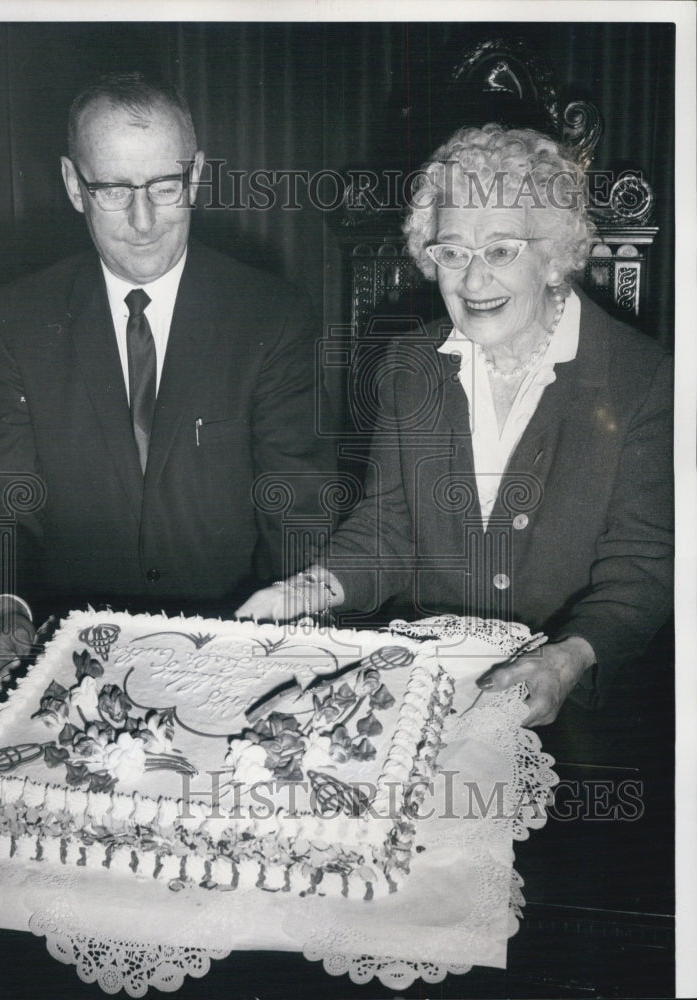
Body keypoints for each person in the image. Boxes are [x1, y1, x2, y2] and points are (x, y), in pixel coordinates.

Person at [237, 123, 673, 727]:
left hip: (572, 707)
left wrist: (572, 657)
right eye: (452, 252)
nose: (472, 280)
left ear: (552, 257)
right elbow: (387, 529)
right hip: (426, 689)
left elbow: (644, 564)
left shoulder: (644, 379)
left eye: (500, 250)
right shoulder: (409, 368)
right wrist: (309, 589)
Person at [0, 72, 335, 672]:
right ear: (72, 185)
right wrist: (7, 610)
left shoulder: (272, 314)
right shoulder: (14, 319)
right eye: (112, 188)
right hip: (64, 652)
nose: (142, 219)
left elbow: (298, 504)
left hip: (231, 646)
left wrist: (288, 628)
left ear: (198, 174)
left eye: (164, 185)